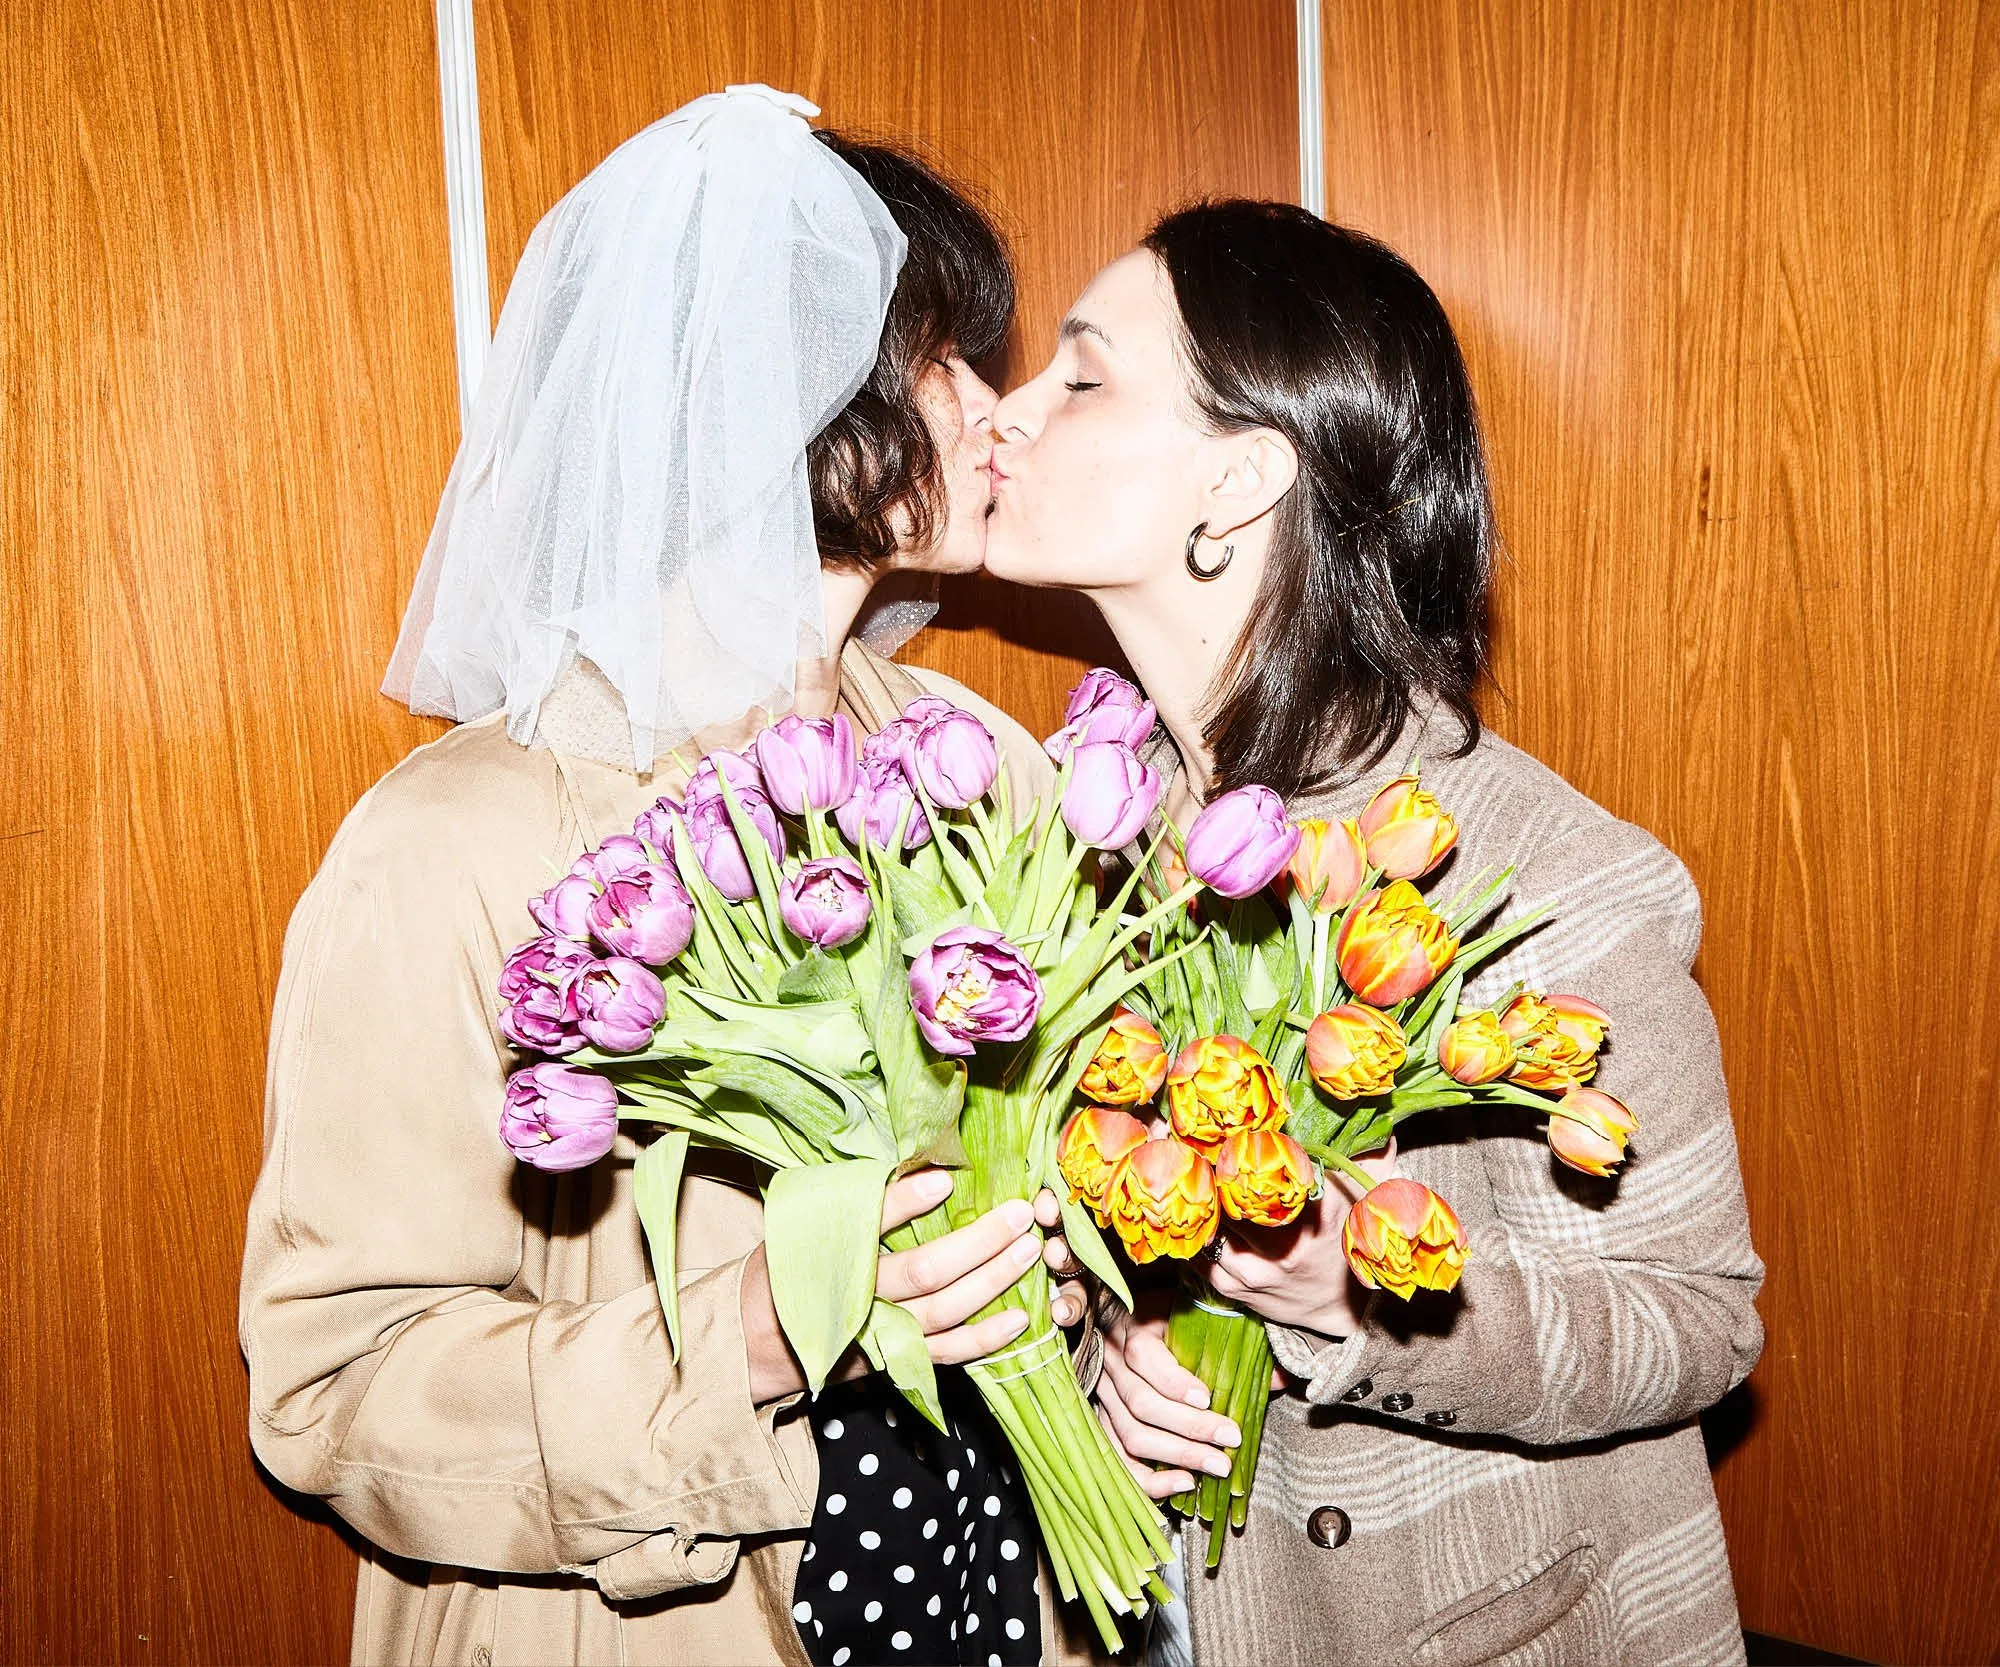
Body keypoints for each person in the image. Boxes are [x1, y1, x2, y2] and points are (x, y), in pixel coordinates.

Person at [241, 87, 1084, 1667]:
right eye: (941, 357)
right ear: (770, 395)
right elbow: (333, 1386)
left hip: (988, 1598)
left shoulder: (986, 763)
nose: (997, 409)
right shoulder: (450, 846)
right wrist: (760, 1334)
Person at [984, 199, 1764, 1666]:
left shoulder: (1544, 875)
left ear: (1241, 477)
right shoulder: (1079, 844)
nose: (1010, 415)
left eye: (1080, 376)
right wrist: (1112, 1365)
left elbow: (1700, 1324)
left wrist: (1363, 1295)